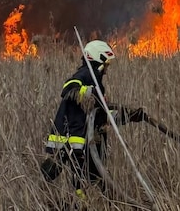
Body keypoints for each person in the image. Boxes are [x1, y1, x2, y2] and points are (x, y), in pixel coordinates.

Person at [40, 39, 146, 201]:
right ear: (99, 60)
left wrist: (129, 115)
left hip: (83, 141)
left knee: (91, 176)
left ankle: (91, 202)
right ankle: (77, 203)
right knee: (77, 175)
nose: (107, 70)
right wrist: (92, 93)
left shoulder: (96, 81)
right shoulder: (86, 74)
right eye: (107, 65)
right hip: (73, 138)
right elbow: (69, 88)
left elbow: (101, 115)